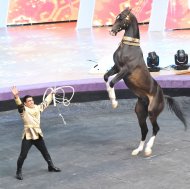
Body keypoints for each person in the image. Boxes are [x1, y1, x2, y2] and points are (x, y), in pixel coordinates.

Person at [11, 86, 61, 180]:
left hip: (37, 134)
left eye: (32, 100)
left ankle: (51, 166)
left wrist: (51, 94)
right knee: (23, 155)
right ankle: (18, 172)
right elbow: (19, 105)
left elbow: (45, 103)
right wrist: (16, 97)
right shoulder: (24, 110)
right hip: (28, 135)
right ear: (25, 103)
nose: (31, 101)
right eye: (29, 101)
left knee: (45, 152)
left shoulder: (37, 108)